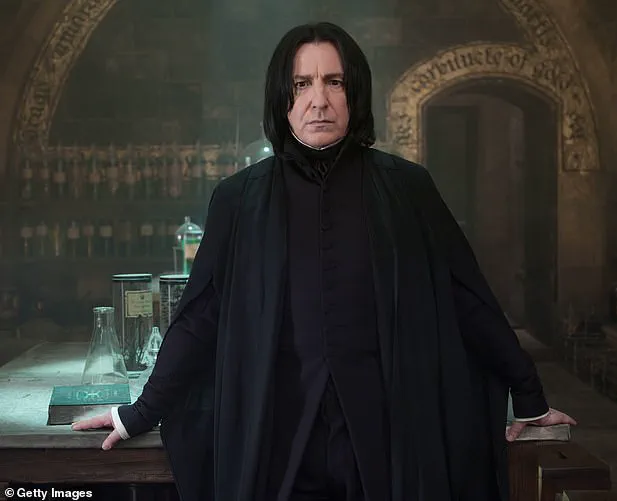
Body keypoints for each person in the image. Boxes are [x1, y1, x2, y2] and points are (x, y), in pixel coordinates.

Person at [73, 21, 576, 501]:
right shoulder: (239, 199)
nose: (319, 99)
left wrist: (528, 395)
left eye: (334, 81)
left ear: (355, 93)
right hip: (280, 445)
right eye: (302, 84)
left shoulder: (407, 189)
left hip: (387, 440)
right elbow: (201, 315)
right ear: (282, 98)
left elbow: (467, 298)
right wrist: (139, 412)